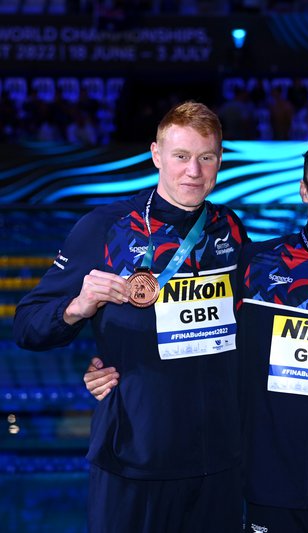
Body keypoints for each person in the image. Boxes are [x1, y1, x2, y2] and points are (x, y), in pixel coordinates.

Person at [87, 133, 308, 532]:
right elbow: (192, 330)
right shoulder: (257, 266)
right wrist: (114, 364)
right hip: (270, 490)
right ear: (304, 191)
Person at [14, 101, 248, 532]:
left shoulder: (230, 228)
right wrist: (77, 308)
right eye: (181, 156)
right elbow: (27, 326)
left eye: (206, 157)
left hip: (218, 464)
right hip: (133, 461)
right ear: (156, 155)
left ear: (220, 159)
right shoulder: (107, 227)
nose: (193, 171)